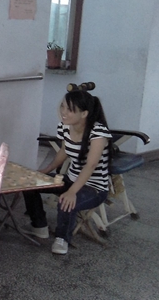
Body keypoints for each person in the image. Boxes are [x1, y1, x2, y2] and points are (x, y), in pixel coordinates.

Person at [22, 90, 112, 255]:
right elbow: (63, 152)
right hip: (70, 179)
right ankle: (40, 226)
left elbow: (91, 165)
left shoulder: (98, 132)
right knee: (30, 184)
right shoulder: (64, 126)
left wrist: (72, 192)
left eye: (70, 109)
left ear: (84, 113)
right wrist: (44, 171)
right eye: (63, 107)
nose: (63, 112)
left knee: (66, 201)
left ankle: (62, 238)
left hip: (94, 187)